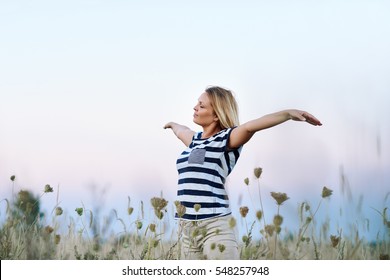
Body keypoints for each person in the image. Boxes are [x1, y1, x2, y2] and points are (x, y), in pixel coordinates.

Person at [164, 86, 322, 260]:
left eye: (201, 106)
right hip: (187, 230)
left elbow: (250, 127)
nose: (195, 107)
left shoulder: (227, 139)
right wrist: (172, 125)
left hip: (214, 227)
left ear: (216, 115)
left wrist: (288, 114)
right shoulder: (195, 141)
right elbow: (182, 131)